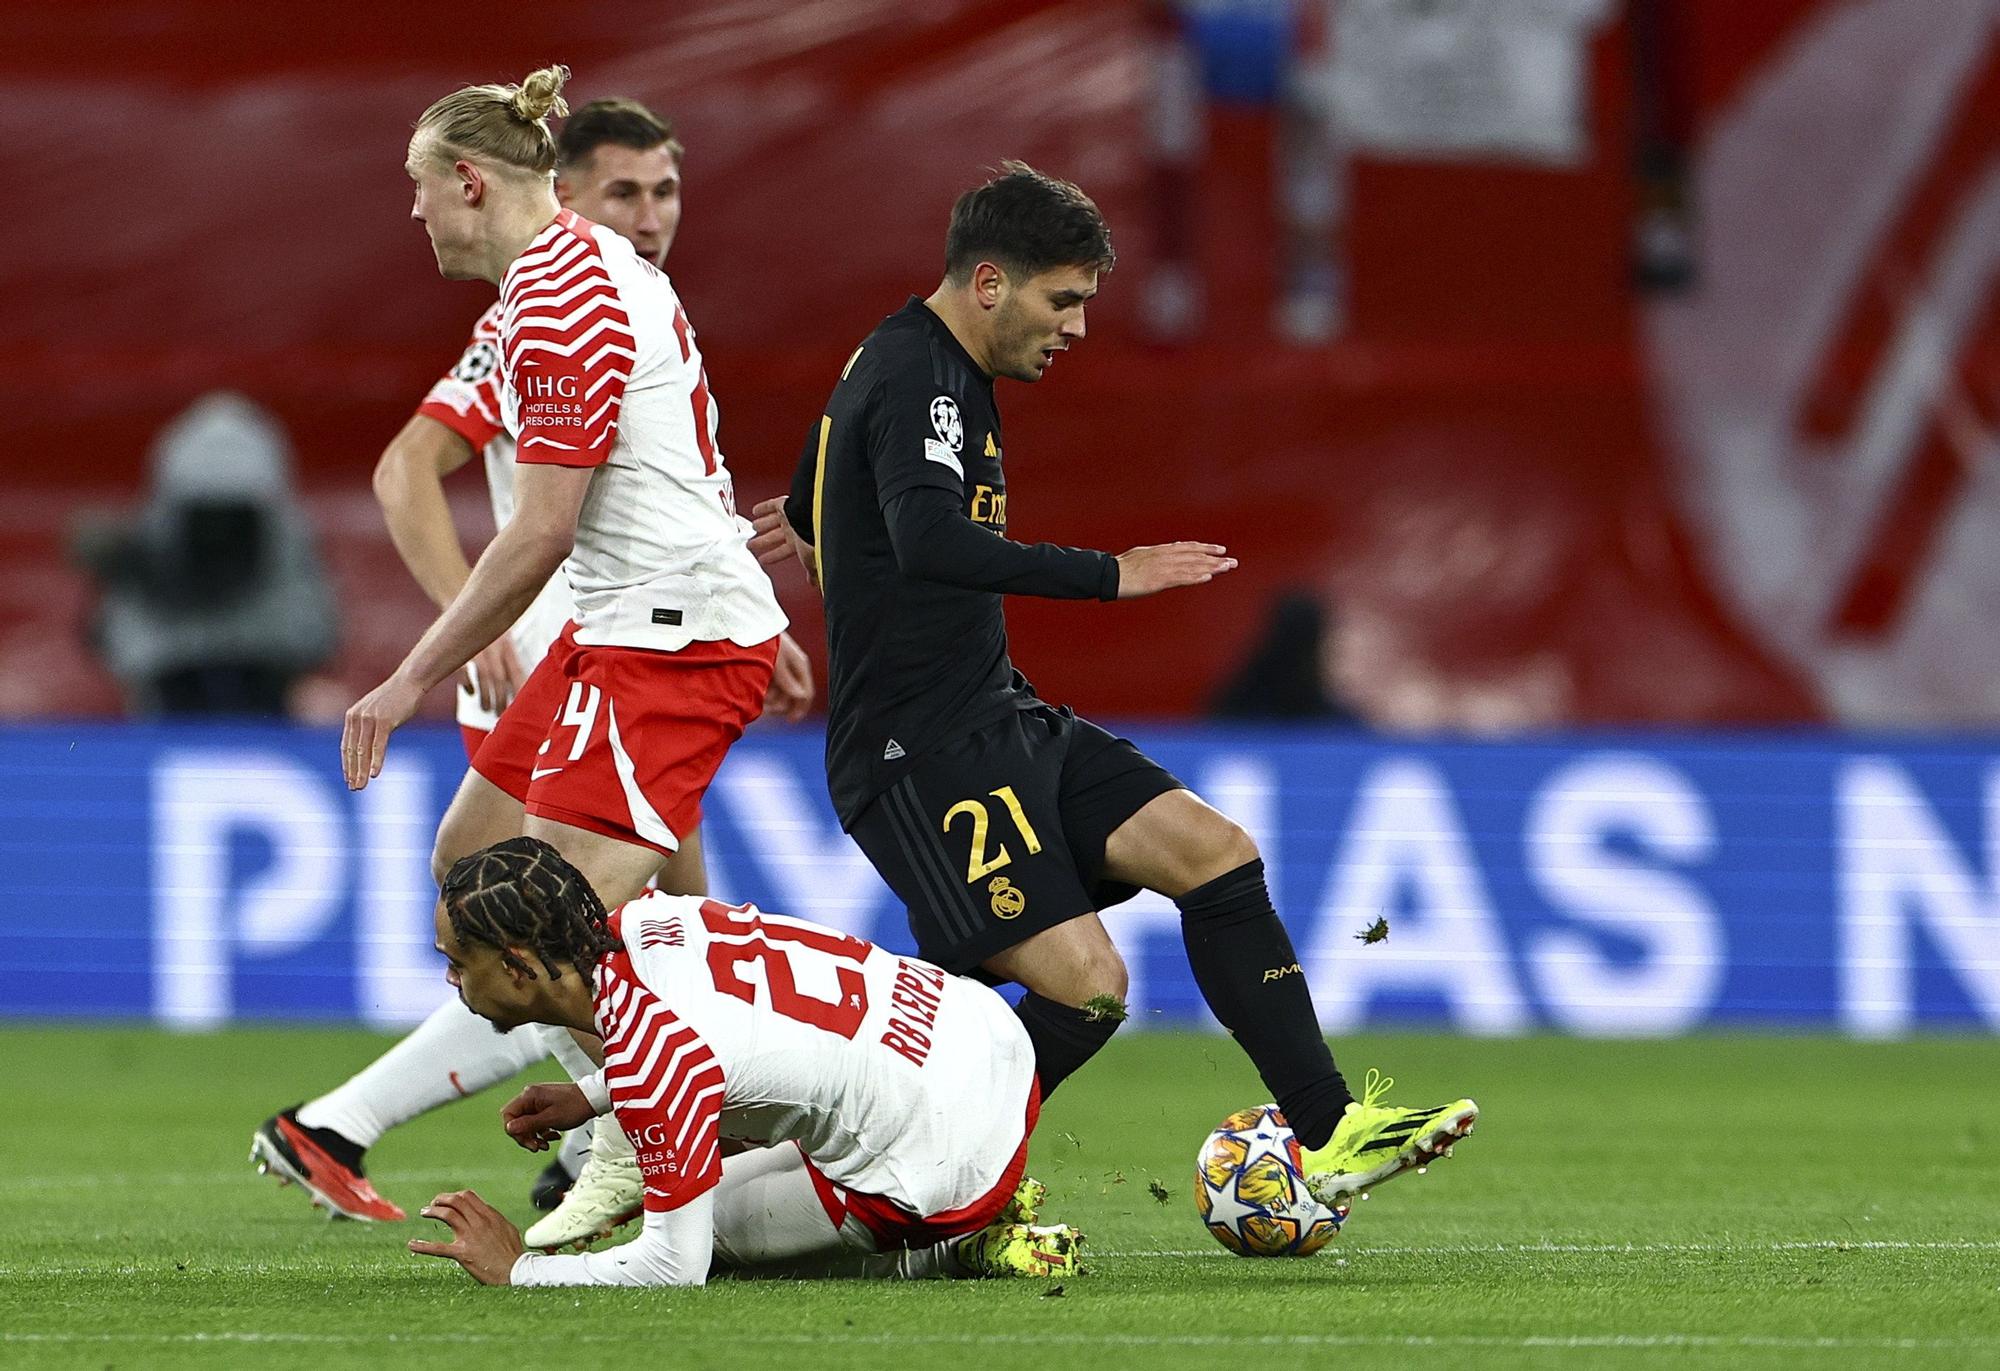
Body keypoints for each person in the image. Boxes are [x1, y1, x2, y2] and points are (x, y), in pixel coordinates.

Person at [755, 161, 1475, 1209]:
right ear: (990, 283)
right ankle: (920, 1185)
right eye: (1065, 300)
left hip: (998, 718)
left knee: (1213, 855)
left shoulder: (920, 369)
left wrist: (823, 523)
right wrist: (1109, 574)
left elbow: (827, 488)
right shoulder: (917, 375)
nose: (1077, 328)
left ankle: (1328, 1135)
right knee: (1085, 990)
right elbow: (925, 537)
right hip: (915, 752)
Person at [254, 66, 793, 1246]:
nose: (411, 215)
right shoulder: (534, 293)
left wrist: (406, 677)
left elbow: (542, 529)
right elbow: (463, 478)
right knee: (469, 867)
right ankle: (694, 1110)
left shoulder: (562, 298)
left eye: (416, 190)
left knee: (554, 928)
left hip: (677, 642)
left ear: (466, 181)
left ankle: (640, 1146)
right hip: (624, 627)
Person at [406, 838, 1084, 1287]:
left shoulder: (654, 1052)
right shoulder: (648, 917)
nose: (451, 981)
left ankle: (956, 1244)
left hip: (947, 1155)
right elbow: (731, 1025)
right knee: (735, 1151)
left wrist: (516, 1268)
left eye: (457, 962)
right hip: (982, 1039)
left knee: (712, 1233)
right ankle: (975, 1197)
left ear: (520, 966)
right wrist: (592, 1093)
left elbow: (673, 1266)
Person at [73, 392, 336, 716]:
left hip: (269, 701)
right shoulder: (147, 548)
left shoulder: (287, 549)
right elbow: (111, 637)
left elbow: (317, 634)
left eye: (234, 516)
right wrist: (121, 568)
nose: (219, 531)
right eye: (206, 515)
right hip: (165, 700)